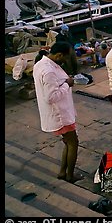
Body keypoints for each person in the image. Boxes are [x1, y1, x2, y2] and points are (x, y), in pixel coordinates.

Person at [32, 42, 82, 183]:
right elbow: (51, 97)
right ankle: (70, 175)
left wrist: (64, 81)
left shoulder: (40, 65)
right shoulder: (48, 71)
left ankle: (62, 172)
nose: (64, 61)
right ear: (59, 55)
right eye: (64, 58)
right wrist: (67, 84)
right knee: (73, 143)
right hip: (59, 114)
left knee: (68, 142)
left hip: (59, 113)